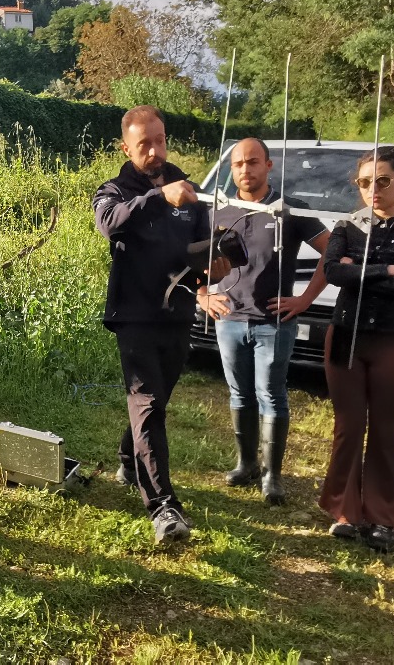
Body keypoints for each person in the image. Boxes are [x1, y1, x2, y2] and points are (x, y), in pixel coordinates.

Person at [94, 105, 229, 545]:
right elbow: (108, 223)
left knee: (155, 403)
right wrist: (159, 198)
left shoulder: (191, 190)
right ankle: (163, 507)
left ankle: (128, 460)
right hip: (134, 315)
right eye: (143, 145)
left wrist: (214, 271)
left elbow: (200, 250)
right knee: (148, 403)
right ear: (126, 148)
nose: (154, 151)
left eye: (160, 141)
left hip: (178, 314)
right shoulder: (113, 190)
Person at [317, 146, 394, 553]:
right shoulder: (347, 224)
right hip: (346, 335)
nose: (374, 189)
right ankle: (345, 511)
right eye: (365, 182)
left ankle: (383, 516)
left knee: (387, 429)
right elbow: (333, 272)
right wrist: (384, 269)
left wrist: (358, 271)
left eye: (383, 180)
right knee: (348, 427)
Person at [196, 138, 329, 504]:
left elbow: (332, 250)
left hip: (274, 322)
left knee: (271, 394)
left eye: (253, 162)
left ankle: (272, 476)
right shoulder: (218, 211)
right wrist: (203, 294)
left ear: (268, 166)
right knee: (239, 394)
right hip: (229, 320)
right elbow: (193, 259)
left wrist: (305, 299)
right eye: (238, 164)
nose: (245, 169)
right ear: (231, 169)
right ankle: (246, 464)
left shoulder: (290, 210)